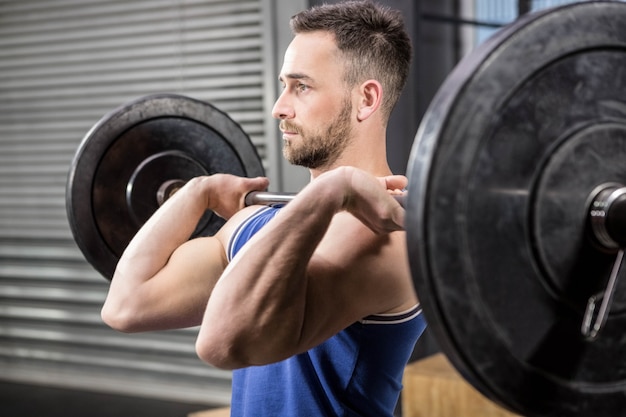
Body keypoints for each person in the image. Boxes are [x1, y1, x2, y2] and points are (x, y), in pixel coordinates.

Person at [101, 1, 427, 416]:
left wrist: (333, 191)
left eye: (301, 86)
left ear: (366, 99)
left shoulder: (387, 237)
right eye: (282, 85)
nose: (279, 107)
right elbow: (126, 304)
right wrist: (196, 191)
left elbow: (223, 344)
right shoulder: (262, 220)